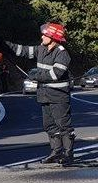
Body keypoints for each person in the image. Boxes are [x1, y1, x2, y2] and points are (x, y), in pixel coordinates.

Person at [6, 23, 75, 164]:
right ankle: (56, 152)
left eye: (45, 35)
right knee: (49, 125)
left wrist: (35, 75)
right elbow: (23, 51)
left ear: (53, 37)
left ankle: (68, 154)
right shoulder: (41, 49)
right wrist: (4, 44)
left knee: (63, 125)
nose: (42, 36)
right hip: (44, 94)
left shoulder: (62, 53)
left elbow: (55, 74)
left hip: (58, 96)